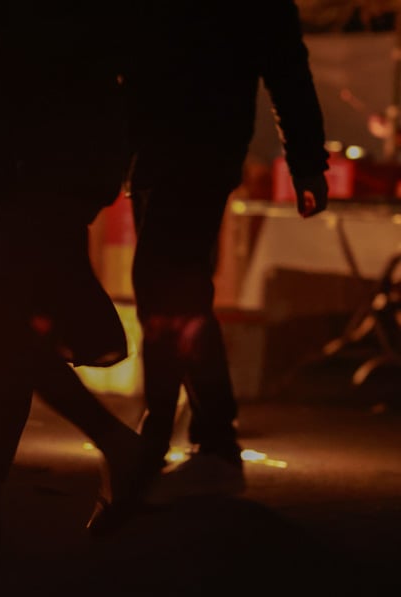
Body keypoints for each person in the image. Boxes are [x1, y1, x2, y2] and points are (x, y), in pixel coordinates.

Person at [0, 1, 163, 565]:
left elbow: (108, 39)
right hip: (10, 156)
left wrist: (0, 50)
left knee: (7, 312)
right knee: (14, 327)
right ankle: (120, 447)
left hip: (64, 154)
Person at [123, 0, 330, 499]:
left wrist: (306, 161)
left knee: (163, 283)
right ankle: (211, 437)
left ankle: (169, 437)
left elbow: (285, 66)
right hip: (165, 149)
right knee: (179, 288)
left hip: (195, 149)